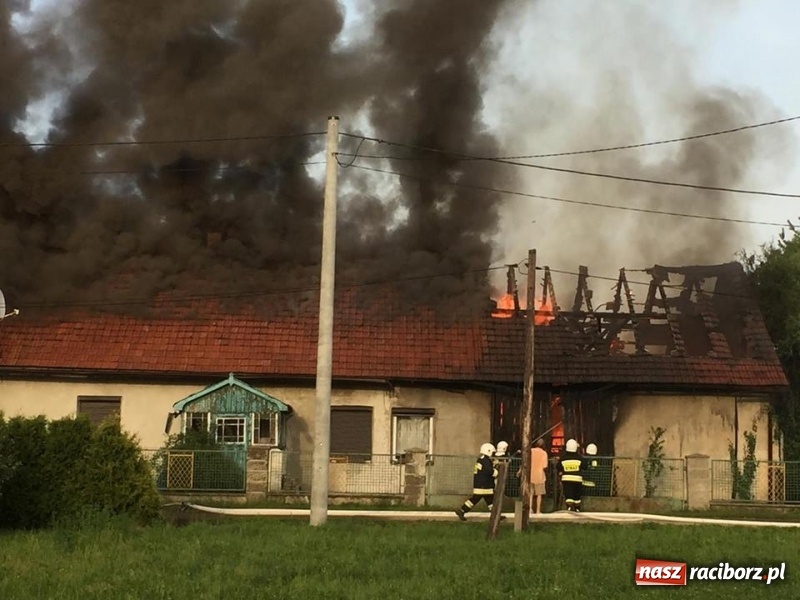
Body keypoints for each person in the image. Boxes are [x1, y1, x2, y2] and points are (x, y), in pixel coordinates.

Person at [455, 443, 497, 521]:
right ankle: (495, 516)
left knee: (486, 500)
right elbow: (489, 471)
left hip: (480, 484)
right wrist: (496, 471)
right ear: (488, 451)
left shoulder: (481, 459)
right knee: (485, 500)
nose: (493, 454)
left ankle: (495, 515)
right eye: (492, 452)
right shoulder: (486, 460)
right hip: (484, 485)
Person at [557, 438, 586, 512]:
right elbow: (585, 467)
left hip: (566, 479)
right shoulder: (579, 458)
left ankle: (569, 507)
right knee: (577, 494)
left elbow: (558, 467)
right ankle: (577, 508)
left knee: (568, 494)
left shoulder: (563, 458)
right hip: (577, 479)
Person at [529, 438, 549, 515]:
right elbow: (544, 466)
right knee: (539, 495)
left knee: (530, 494)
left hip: (530, 475)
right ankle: (538, 510)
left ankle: (530, 509)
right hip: (540, 476)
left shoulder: (530, 451)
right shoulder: (544, 453)